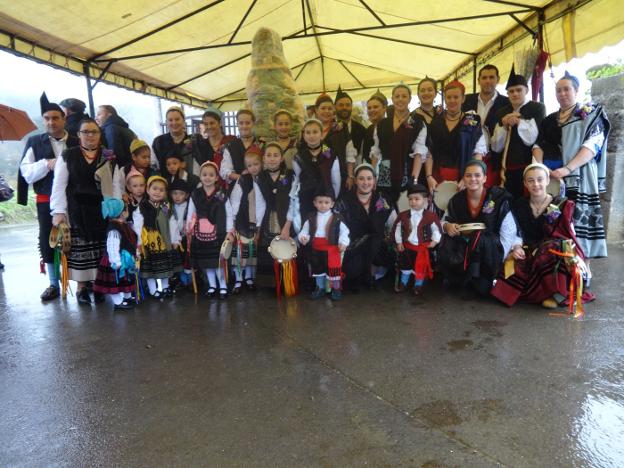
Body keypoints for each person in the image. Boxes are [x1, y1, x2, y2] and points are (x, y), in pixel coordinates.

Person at [491, 163, 595, 310]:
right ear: (525, 183)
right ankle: (536, 293)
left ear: (547, 181)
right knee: (514, 265)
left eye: (540, 179)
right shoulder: (519, 205)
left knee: (551, 251)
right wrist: (516, 247)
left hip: (552, 251)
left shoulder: (561, 204)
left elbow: (567, 235)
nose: (536, 184)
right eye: (531, 180)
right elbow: (515, 231)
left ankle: (556, 294)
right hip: (528, 249)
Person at [532, 71, 610, 263]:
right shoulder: (549, 120)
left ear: (576, 91)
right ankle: (558, 268)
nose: (562, 94)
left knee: (579, 224)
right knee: (554, 221)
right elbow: (537, 145)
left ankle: (582, 270)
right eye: (558, 90)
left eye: (566, 89)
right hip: (553, 180)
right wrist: (542, 168)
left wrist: (567, 169)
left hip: (580, 175)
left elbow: (593, 145)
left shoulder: (589, 114)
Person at [17, 92, 79, 301]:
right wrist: (46, 164)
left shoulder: (78, 140)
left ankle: (83, 283)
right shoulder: (35, 142)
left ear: (64, 119)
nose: (51, 122)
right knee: (49, 239)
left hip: (76, 198)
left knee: (80, 237)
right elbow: (26, 172)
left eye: (55, 117)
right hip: (46, 199)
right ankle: (53, 283)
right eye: (47, 118)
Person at [438, 159, 521, 296]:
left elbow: (509, 231)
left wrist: (500, 259)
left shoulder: (497, 198)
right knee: (447, 241)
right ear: (463, 178)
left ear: (485, 178)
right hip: (464, 246)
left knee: (480, 238)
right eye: (468, 175)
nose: (473, 179)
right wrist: (447, 226)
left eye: (477, 175)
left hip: (489, 250)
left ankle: (479, 279)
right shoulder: (457, 199)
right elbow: (443, 221)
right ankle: (459, 278)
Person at [50, 118, 110, 305]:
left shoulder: (107, 155)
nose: (90, 135)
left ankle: (99, 286)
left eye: (94, 131)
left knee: (101, 250)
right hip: (76, 210)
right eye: (86, 132)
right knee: (80, 250)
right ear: (79, 134)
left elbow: (114, 183)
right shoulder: (68, 155)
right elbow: (59, 185)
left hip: (101, 210)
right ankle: (82, 288)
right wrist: (58, 211)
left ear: (100, 135)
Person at [335, 163, 395, 291]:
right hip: (354, 247)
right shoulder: (345, 201)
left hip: (379, 247)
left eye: (369, 178)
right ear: (355, 180)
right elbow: (338, 228)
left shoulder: (383, 199)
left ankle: (370, 274)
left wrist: (391, 240)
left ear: (374, 180)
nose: (365, 182)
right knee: (351, 273)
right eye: (361, 178)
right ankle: (365, 274)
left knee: (374, 240)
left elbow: (393, 224)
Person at [490, 66, 546, 196]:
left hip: (528, 165)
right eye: (511, 91)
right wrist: (503, 126)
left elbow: (537, 138)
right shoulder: (501, 112)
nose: (515, 94)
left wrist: (519, 122)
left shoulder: (537, 108)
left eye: (518, 90)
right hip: (506, 168)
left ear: (526, 90)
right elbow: (496, 146)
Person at [370, 84, 428, 206]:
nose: (400, 99)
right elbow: (376, 152)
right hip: (384, 177)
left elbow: (419, 152)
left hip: (406, 175)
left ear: (410, 99)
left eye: (404, 96)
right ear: (392, 98)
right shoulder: (382, 124)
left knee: (405, 212)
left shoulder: (417, 123)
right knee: (383, 210)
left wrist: (414, 179)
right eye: (397, 96)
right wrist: (372, 175)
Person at [425, 80, 487, 192]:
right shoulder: (436, 122)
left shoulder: (472, 121)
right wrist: (429, 176)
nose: (452, 100)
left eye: (456, 97)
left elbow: (478, 153)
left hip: (464, 178)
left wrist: (469, 176)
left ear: (463, 98)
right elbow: (429, 152)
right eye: (448, 97)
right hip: (437, 177)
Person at [186, 161, 234, 299]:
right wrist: (189, 228)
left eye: (211, 175)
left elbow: (229, 212)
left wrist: (229, 231)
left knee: (218, 262)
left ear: (217, 177)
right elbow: (191, 211)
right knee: (207, 263)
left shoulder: (221, 194)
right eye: (204, 174)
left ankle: (223, 286)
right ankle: (212, 286)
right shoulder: (196, 194)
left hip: (219, 233)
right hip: (200, 233)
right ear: (200, 176)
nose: (208, 177)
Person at [132, 176, 181, 299]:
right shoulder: (142, 207)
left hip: (165, 242)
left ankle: (165, 287)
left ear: (165, 193)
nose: (157, 192)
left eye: (161, 190)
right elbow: (137, 226)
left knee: (165, 267)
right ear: (148, 190)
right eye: (154, 189)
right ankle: (153, 290)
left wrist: (176, 239)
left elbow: (173, 223)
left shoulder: (166, 206)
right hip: (149, 244)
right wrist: (138, 243)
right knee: (150, 269)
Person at [256, 142, 298, 286]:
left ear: (281, 158)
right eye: (268, 155)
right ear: (264, 159)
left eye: (276, 155)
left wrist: (288, 223)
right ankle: (272, 284)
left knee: (286, 248)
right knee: (268, 250)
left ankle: (287, 282)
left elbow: (294, 200)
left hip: (286, 218)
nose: (272, 159)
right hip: (266, 219)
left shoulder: (289, 175)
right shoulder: (259, 177)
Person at [298, 188, 350, 301]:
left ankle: (336, 289)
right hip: (316, 249)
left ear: (332, 204)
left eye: (326, 202)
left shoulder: (338, 218)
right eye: (320, 202)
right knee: (318, 269)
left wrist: (343, 242)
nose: (323, 205)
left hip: (332, 249)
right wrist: (303, 237)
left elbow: (344, 232)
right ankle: (320, 288)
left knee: (334, 271)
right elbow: (304, 230)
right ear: (315, 203)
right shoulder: (310, 217)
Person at [392, 183, 441, 295]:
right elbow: (397, 229)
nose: (413, 202)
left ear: (425, 200)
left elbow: (436, 229)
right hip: (407, 246)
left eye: (416, 199)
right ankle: (403, 283)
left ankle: (418, 285)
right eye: (410, 199)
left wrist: (434, 241)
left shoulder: (431, 216)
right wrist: (399, 242)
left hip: (421, 248)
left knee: (420, 267)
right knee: (405, 266)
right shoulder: (403, 215)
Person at [229, 148, 266, 293]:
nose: (253, 168)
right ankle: (238, 279)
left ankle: (250, 278)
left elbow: (263, 204)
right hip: (242, 220)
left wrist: (259, 224)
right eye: (249, 166)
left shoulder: (264, 179)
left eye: (256, 164)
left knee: (252, 253)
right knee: (240, 251)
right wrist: (232, 221)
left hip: (257, 221)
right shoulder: (243, 180)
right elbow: (235, 200)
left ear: (261, 164)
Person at [93, 198, 137, 310]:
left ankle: (127, 297)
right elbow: (112, 246)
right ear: (123, 213)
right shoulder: (114, 229)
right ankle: (118, 302)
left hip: (125, 259)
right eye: (127, 209)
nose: (128, 211)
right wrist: (115, 261)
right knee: (114, 282)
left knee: (125, 279)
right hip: (116, 260)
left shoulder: (123, 225)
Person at [293, 118, 341, 221]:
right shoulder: (299, 155)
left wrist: (332, 199)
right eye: (308, 132)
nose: (311, 136)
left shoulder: (330, 154)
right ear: (304, 135)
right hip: (306, 199)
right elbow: (296, 180)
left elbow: (336, 181)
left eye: (315, 132)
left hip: (325, 201)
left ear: (321, 133)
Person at [315, 92, 357, 192]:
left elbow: (350, 153)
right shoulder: (310, 129)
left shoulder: (340, 128)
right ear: (316, 110)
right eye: (323, 108)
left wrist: (350, 176)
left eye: (330, 109)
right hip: (316, 175)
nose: (327, 111)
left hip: (339, 175)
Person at [462, 64, 510, 140]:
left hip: (494, 150)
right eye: (484, 78)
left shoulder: (507, 103)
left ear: (498, 79)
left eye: (491, 77)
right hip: (469, 148)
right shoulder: (466, 100)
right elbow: (461, 121)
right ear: (478, 81)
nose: (488, 81)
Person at [220, 109, 261, 187]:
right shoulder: (230, 146)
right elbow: (225, 170)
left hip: (259, 187)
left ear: (253, 124)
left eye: (248, 123)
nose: (244, 126)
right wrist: (242, 178)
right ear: (237, 124)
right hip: (237, 189)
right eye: (241, 123)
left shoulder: (261, 144)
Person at [169, 178, 193, 291]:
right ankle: (180, 280)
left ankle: (191, 279)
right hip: (174, 239)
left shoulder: (190, 206)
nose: (177, 196)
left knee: (187, 259)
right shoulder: (168, 207)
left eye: (181, 194)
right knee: (177, 260)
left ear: (187, 195)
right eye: (174, 193)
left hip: (187, 238)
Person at [334, 86, 367, 167]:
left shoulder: (361, 129)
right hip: (333, 170)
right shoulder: (329, 128)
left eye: (347, 105)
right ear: (335, 107)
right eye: (341, 105)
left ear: (351, 107)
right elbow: (325, 146)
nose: (344, 107)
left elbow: (362, 153)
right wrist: (327, 156)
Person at [193, 107, 235, 171]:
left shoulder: (230, 142)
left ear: (220, 123)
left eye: (212, 123)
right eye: (206, 124)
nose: (209, 127)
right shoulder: (201, 145)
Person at [361, 89, 387, 167]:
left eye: (375, 107)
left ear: (384, 108)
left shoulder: (389, 127)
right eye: (369, 108)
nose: (372, 110)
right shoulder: (369, 130)